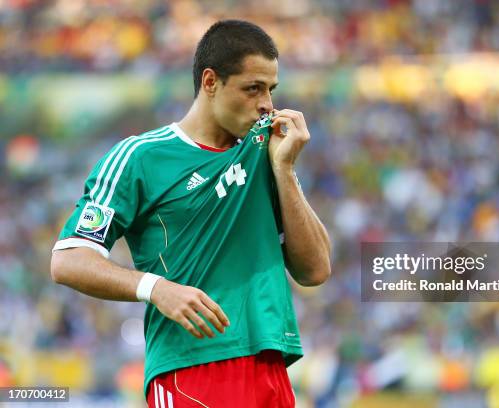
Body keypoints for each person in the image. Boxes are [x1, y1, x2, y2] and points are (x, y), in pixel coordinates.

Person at [50, 19, 331, 407]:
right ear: (210, 82)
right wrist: (156, 289)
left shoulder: (265, 152)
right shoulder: (140, 157)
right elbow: (68, 260)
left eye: (271, 89)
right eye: (253, 88)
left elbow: (315, 270)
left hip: (270, 366)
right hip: (191, 368)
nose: (267, 103)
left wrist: (284, 169)